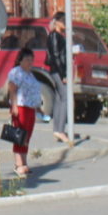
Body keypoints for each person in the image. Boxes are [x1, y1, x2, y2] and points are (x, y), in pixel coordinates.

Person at [4, 47, 42, 178]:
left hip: (30, 108)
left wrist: (38, 107)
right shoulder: (17, 72)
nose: (30, 62)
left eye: (31, 60)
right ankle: (18, 164)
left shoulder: (30, 74)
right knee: (19, 136)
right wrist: (14, 105)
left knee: (27, 137)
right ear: (20, 60)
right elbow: (12, 89)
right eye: (27, 59)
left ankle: (24, 163)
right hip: (20, 107)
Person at [46, 12, 71, 144]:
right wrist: (63, 75)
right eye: (63, 22)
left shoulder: (57, 36)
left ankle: (57, 129)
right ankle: (60, 129)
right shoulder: (55, 36)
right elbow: (56, 56)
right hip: (58, 71)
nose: (65, 24)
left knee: (59, 98)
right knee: (65, 98)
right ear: (57, 22)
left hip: (57, 70)